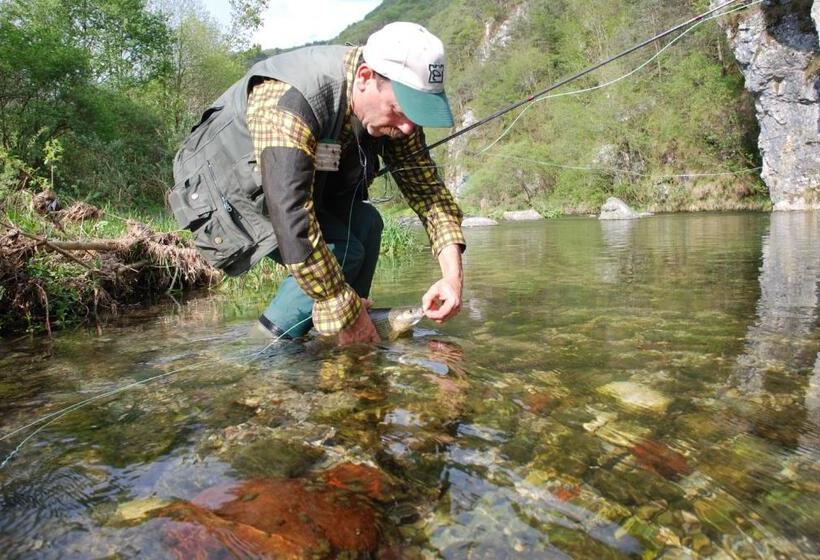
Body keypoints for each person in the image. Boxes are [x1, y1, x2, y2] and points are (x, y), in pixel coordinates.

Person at [169, 22, 465, 344]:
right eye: (400, 110)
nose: (409, 128)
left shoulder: (395, 115)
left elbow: (429, 193)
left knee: (367, 224)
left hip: (305, 186)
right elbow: (291, 214)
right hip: (229, 187)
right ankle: (261, 354)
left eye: (416, 114)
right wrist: (339, 303)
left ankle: (340, 335)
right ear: (366, 78)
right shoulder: (288, 100)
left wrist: (452, 278)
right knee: (344, 252)